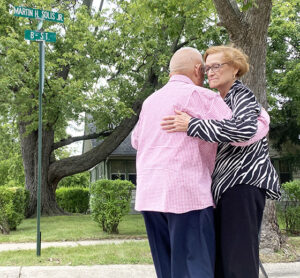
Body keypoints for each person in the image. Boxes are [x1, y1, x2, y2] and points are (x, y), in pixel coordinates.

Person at [131, 47, 269, 278]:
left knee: (168, 269)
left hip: (149, 195)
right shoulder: (202, 96)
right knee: (196, 268)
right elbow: (242, 135)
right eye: (206, 70)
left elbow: (136, 140)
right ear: (197, 70)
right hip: (187, 195)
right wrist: (263, 119)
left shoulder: (150, 101)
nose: (207, 76)